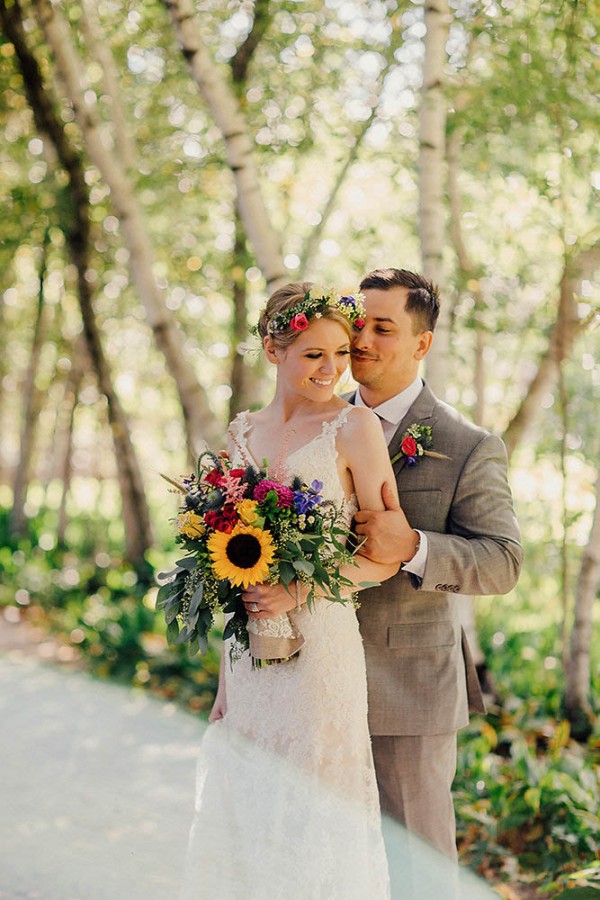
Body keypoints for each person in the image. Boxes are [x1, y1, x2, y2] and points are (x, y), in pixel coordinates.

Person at [180, 282, 399, 899]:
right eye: (313, 355)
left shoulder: (355, 427)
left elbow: (383, 558)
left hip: (322, 654)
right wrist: (228, 679)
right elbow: (228, 568)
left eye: (340, 353)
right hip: (252, 657)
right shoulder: (242, 432)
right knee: (248, 799)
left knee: (316, 808)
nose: (332, 369)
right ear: (274, 351)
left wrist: (302, 592)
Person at [349, 267, 523, 864]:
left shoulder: (467, 444)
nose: (360, 340)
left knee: (415, 867)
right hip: (313, 681)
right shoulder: (313, 423)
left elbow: (503, 562)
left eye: (382, 328)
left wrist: (415, 546)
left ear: (422, 343)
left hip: (411, 690)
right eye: (356, 322)